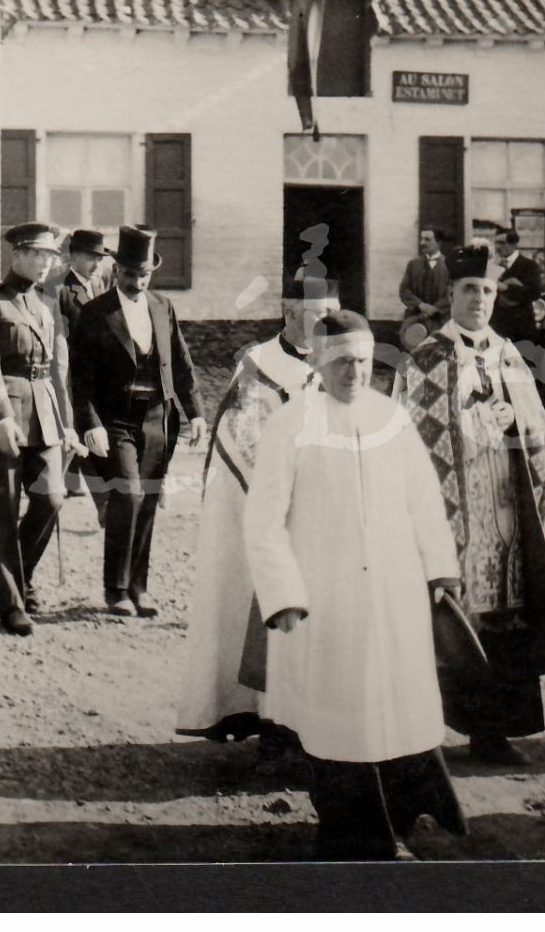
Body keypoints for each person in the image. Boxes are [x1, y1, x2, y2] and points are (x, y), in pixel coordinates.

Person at [244, 310, 467, 860]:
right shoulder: (291, 425)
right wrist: (283, 594)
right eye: (343, 362)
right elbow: (263, 520)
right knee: (339, 721)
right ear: (319, 362)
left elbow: (424, 500)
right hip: (327, 600)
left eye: (364, 362)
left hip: (394, 593)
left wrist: (440, 569)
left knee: (397, 706)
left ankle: (407, 817)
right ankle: (351, 837)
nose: (355, 373)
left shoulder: (391, 417)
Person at [398, 242, 545, 766]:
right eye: (469, 290)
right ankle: (423, 738)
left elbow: (537, 428)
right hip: (451, 514)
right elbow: (408, 438)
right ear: (450, 294)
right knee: (448, 618)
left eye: (486, 291)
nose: (479, 300)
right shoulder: (425, 359)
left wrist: (517, 422)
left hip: (505, 507)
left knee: (507, 615)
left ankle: (493, 734)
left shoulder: (509, 354)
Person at [175, 268, 338, 746]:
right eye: (318, 312)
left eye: (332, 312)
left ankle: (311, 721)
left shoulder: (339, 363)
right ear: (289, 311)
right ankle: (266, 721)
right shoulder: (259, 365)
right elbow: (240, 438)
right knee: (263, 606)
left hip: (324, 515)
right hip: (268, 510)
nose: (327, 322)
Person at [70, 225, 205, 618]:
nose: (137, 282)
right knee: (126, 494)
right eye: (130, 274)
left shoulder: (163, 307)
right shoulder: (95, 313)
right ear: (116, 271)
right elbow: (80, 377)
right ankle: (116, 590)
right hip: (116, 421)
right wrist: (90, 423)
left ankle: (138, 588)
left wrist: (196, 412)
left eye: (144, 275)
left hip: (157, 418)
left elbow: (181, 362)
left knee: (147, 498)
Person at [0, 222, 82, 636]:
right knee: (4, 510)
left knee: (51, 498)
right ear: (16, 256)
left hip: (45, 414)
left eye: (51, 256)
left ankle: (21, 573)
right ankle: (12, 604)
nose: (46, 263)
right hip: (6, 415)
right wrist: (0, 418)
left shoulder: (48, 302)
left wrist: (68, 424)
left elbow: (58, 369)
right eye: (37, 255)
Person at [56, 228, 114, 521]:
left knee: (83, 434)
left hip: (97, 372)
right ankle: (103, 502)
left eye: (100, 259)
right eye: (91, 258)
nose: (96, 265)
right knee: (81, 431)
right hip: (71, 373)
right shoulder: (59, 290)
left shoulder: (100, 283)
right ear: (74, 257)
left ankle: (59, 485)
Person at [398, 226, 450, 350]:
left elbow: (453, 292)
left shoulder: (450, 264)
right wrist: (421, 305)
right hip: (415, 320)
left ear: (439, 242)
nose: (422, 243)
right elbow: (404, 290)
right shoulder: (413, 264)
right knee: (414, 352)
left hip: (441, 320)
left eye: (427, 239)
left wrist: (435, 308)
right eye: (421, 239)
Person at [491, 225, 544, 345]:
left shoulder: (529, 265)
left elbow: (534, 292)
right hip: (497, 328)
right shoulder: (492, 265)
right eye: (496, 243)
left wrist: (506, 287)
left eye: (502, 243)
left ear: (514, 244)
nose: (497, 247)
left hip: (520, 329)